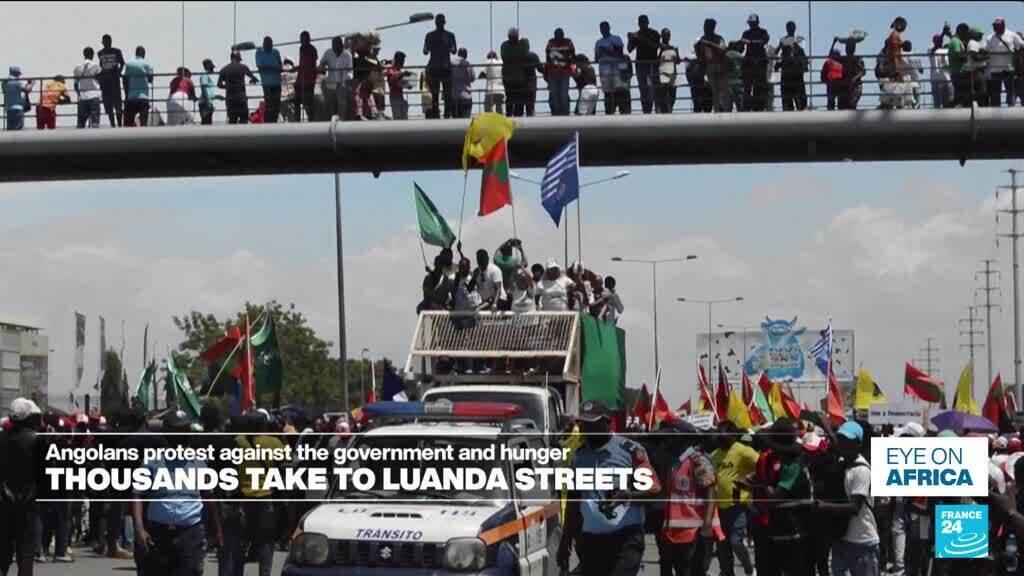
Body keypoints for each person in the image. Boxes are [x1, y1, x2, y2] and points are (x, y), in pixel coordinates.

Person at [558, 400, 661, 576]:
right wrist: (565, 539)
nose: (587, 429)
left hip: (625, 539)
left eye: (593, 424)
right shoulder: (578, 457)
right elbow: (574, 502)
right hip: (590, 541)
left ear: (607, 422)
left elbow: (655, 491)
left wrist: (628, 496)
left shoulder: (630, 452)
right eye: (584, 424)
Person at [132, 411, 220, 576]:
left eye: (185, 431)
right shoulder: (152, 461)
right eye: (177, 432)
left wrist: (217, 531)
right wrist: (139, 530)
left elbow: (209, 496)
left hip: (190, 534)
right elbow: (137, 495)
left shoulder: (198, 461)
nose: (182, 437)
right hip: (157, 535)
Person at [747, 418, 813, 576]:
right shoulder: (785, 463)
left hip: (794, 528)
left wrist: (761, 484)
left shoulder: (793, 465)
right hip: (781, 526)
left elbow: (775, 497)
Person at [662, 419, 724, 576]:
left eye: (670, 437)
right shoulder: (676, 461)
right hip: (678, 534)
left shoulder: (697, 461)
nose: (666, 440)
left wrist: (707, 525)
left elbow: (711, 491)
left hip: (696, 532)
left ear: (681, 438)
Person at [818, 421, 879, 576]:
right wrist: (825, 426)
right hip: (841, 540)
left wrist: (823, 506)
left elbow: (854, 507)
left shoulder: (861, 470)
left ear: (858, 444)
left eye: (847, 441)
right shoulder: (842, 463)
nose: (843, 444)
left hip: (862, 542)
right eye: (841, 440)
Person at [0, 398, 44, 576]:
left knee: (3, 548)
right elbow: (44, 473)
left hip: (4, 501)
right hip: (28, 503)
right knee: (25, 553)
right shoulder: (38, 441)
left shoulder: (1, 438)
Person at [712, 421, 758, 576]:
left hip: (738, 505)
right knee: (723, 546)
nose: (720, 437)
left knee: (736, 542)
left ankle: (748, 568)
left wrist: (750, 479)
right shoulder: (715, 454)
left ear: (732, 435)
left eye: (723, 434)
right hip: (719, 508)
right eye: (718, 434)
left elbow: (762, 464)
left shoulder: (743, 451)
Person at [423, 14, 456, 119]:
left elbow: (425, 51)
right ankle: (447, 115)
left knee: (435, 95)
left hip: (434, 67)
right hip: (446, 68)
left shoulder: (429, 35)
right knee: (447, 95)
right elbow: (454, 50)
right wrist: (446, 47)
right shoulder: (450, 35)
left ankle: (436, 115)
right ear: (444, 22)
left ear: (435, 23)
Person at [628, 15, 661, 114]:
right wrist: (630, 39)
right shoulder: (636, 35)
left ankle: (656, 110)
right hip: (640, 65)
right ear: (638, 24)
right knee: (643, 89)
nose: (642, 24)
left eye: (644, 22)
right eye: (641, 22)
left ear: (648, 22)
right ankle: (646, 111)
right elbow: (629, 49)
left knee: (653, 89)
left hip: (652, 65)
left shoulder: (654, 33)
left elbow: (655, 46)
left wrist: (640, 38)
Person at [986, 18, 1023, 107]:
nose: (995, 28)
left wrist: (1018, 55)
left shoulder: (1012, 35)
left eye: (997, 26)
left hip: (1008, 68)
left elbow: (1021, 45)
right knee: (995, 94)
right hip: (995, 70)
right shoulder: (989, 37)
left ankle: (1011, 110)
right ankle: (995, 114)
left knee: (1010, 92)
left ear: (1003, 25)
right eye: (994, 26)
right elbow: (985, 50)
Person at [696, 19, 729, 112]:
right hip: (709, 67)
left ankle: (724, 110)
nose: (705, 29)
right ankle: (716, 110)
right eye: (705, 26)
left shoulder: (719, 38)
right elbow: (700, 55)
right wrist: (697, 48)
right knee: (713, 91)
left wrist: (709, 44)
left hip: (720, 66)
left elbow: (723, 49)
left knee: (722, 91)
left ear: (713, 28)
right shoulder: (702, 39)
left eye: (708, 27)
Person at [595, 22, 628, 115]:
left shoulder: (616, 39)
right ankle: (609, 112)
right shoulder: (598, 42)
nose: (603, 30)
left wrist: (606, 50)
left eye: (605, 28)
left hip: (616, 71)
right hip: (604, 72)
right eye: (601, 28)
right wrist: (600, 53)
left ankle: (623, 112)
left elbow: (620, 53)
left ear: (609, 28)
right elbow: (596, 59)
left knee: (619, 93)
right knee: (608, 94)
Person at [218, 51, 258, 124]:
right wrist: (252, 81)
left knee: (232, 121)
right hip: (241, 98)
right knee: (244, 120)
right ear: (238, 58)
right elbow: (254, 79)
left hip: (230, 99)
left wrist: (228, 87)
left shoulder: (224, 69)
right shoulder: (243, 67)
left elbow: (219, 85)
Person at [741, 14, 770, 111]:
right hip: (751, 62)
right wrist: (757, 42)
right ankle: (749, 107)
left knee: (758, 87)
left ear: (757, 23)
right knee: (748, 87)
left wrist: (751, 42)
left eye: (752, 23)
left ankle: (757, 107)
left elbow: (765, 41)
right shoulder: (747, 33)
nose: (751, 25)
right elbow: (743, 41)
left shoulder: (763, 32)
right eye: (750, 23)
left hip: (758, 62)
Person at [776, 22, 808, 111]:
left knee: (801, 103)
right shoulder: (783, 40)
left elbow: (802, 53)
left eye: (792, 27)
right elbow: (776, 52)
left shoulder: (800, 39)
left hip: (796, 73)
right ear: (786, 28)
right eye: (789, 27)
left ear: (795, 28)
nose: (790, 29)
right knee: (787, 102)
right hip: (787, 73)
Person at [318, 36, 351, 121]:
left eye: (336, 46)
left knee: (341, 103)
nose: (334, 48)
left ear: (341, 45)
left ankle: (341, 121)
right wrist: (323, 66)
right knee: (329, 107)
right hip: (330, 85)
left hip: (342, 84)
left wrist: (343, 83)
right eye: (333, 46)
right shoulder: (328, 52)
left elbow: (350, 73)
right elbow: (321, 64)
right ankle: (329, 123)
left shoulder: (347, 56)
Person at [545, 28, 576, 116]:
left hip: (564, 72)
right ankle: (556, 113)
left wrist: (573, 70)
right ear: (554, 35)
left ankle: (565, 112)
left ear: (563, 35)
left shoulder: (568, 43)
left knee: (564, 93)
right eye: (557, 35)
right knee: (554, 93)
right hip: (553, 73)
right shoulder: (550, 43)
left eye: (560, 35)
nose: (559, 37)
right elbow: (548, 59)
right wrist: (546, 74)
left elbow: (573, 58)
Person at [501, 28, 531, 117]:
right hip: (518, 78)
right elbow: (524, 53)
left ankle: (511, 115)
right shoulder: (521, 45)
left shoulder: (505, 46)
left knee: (512, 99)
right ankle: (516, 116)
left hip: (511, 78)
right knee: (516, 99)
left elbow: (506, 57)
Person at [97, 34, 125, 127]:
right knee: (108, 104)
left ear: (110, 41)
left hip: (115, 81)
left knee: (117, 104)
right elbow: (100, 65)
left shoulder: (117, 51)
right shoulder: (100, 53)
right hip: (105, 82)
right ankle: (112, 124)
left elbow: (122, 63)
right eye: (103, 42)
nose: (104, 43)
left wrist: (119, 72)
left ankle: (120, 124)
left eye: (106, 41)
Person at [123, 46, 153, 127]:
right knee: (143, 123)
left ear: (135, 53)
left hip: (131, 97)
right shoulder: (146, 64)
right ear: (144, 54)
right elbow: (150, 80)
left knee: (128, 124)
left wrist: (126, 94)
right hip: (143, 97)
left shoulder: (129, 64)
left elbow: (125, 80)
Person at [255, 36, 283, 122]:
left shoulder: (276, 52)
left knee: (276, 106)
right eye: (266, 44)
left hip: (277, 83)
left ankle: (274, 123)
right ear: (264, 44)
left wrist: (273, 69)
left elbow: (280, 67)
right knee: (269, 106)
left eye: (270, 44)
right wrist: (274, 69)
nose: (268, 46)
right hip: (267, 84)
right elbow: (260, 68)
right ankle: (268, 123)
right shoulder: (259, 53)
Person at [73, 47, 103, 128]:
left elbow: (75, 85)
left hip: (83, 97)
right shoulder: (96, 66)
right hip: (94, 96)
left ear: (84, 55)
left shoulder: (77, 68)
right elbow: (101, 80)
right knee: (95, 123)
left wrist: (79, 94)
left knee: (80, 124)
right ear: (92, 55)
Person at [493, 238, 527, 308]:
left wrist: (507, 242)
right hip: (512, 292)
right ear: (511, 252)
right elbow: (525, 263)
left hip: (501, 293)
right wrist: (521, 249)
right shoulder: (515, 261)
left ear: (502, 252)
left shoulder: (498, 261)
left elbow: (497, 251)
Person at [351, 35, 378, 120]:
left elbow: (378, 67)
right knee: (360, 100)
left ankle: (368, 115)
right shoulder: (354, 61)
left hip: (364, 89)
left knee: (367, 103)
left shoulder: (368, 62)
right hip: (358, 87)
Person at [296, 31, 319, 121]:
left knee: (308, 102)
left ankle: (311, 119)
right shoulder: (301, 48)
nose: (303, 41)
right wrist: (297, 68)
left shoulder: (312, 49)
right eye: (302, 39)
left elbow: (312, 63)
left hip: (309, 79)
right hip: (301, 78)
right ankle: (297, 120)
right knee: (297, 100)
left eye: (305, 39)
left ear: (309, 39)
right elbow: (302, 63)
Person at [837, 38, 865, 110]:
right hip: (843, 87)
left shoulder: (858, 59)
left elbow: (863, 72)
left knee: (851, 106)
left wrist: (854, 78)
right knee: (841, 107)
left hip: (854, 87)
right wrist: (834, 43)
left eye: (850, 47)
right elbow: (830, 57)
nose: (848, 49)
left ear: (853, 49)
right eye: (847, 47)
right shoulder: (842, 59)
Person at [656, 29, 680, 113]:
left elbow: (678, 62)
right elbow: (656, 61)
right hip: (663, 76)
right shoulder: (659, 47)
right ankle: (663, 113)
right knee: (663, 97)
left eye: (668, 34)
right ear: (662, 36)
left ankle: (670, 112)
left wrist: (677, 52)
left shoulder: (673, 48)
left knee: (673, 97)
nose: (667, 36)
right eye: (666, 34)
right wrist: (662, 50)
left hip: (673, 76)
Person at [2, 67, 32, 131]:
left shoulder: (4, 83)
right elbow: (27, 90)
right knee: (17, 130)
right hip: (18, 109)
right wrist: (30, 83)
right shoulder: (17, 82)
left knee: (10, 130)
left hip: (8, 109)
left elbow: (4, 91)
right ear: (17, 74)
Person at [386, 51, 413, 120]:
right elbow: (392, 80)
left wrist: (408, 85)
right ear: (398, 60)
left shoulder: (399, 71)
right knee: (397, 117)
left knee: (404, 117)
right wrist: (402, 74)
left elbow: (400, 83)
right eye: (402, 61)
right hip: (394, 96)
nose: (403, 63)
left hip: (400, 96)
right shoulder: (391, 70)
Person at [929, 34, 953, 109]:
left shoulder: (931, 50)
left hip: (935, 79)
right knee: (948, 102)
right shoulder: (947, 50)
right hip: (946, 79)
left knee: (937, 103)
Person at [450, 47, 474, 118]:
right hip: (466, 96)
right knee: (465, 122)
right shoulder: (467, 64)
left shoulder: (451, 62)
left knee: (455, 122)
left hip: (453, 96)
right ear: (466, 55)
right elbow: (472, 78)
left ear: (458, 53)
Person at [199, 59, 217, 125]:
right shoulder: (204, 75)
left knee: (208, 123)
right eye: (212, 67)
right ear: (208, 66)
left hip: (207, 102)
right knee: (206, 123)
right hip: (205, 103)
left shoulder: (206, 76)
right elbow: (203, 88)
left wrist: (216, 97)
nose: (213, 69)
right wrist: (207, 102)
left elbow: (208, 91)